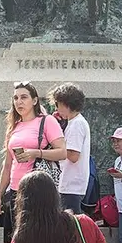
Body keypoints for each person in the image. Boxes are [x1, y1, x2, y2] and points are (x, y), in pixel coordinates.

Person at [0, 82, 68, 234]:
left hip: (37, 189)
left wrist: (36, 153)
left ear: (34, 101)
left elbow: (62, 152)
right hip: (14, 189)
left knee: (35, 237)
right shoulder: (14, 126)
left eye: (24, 97)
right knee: (13, 240)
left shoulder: (46, 121)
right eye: (15, 98)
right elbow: (7, 165)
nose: (19, 101)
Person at [49, 83, 91, 214]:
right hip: (71, 185)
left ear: (66, 103)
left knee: (70, 228)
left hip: (72, 186)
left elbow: (73, 156)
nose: (56, 108)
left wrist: (54, 149)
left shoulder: (76, 124)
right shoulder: (74, 122)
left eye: (57, 104)